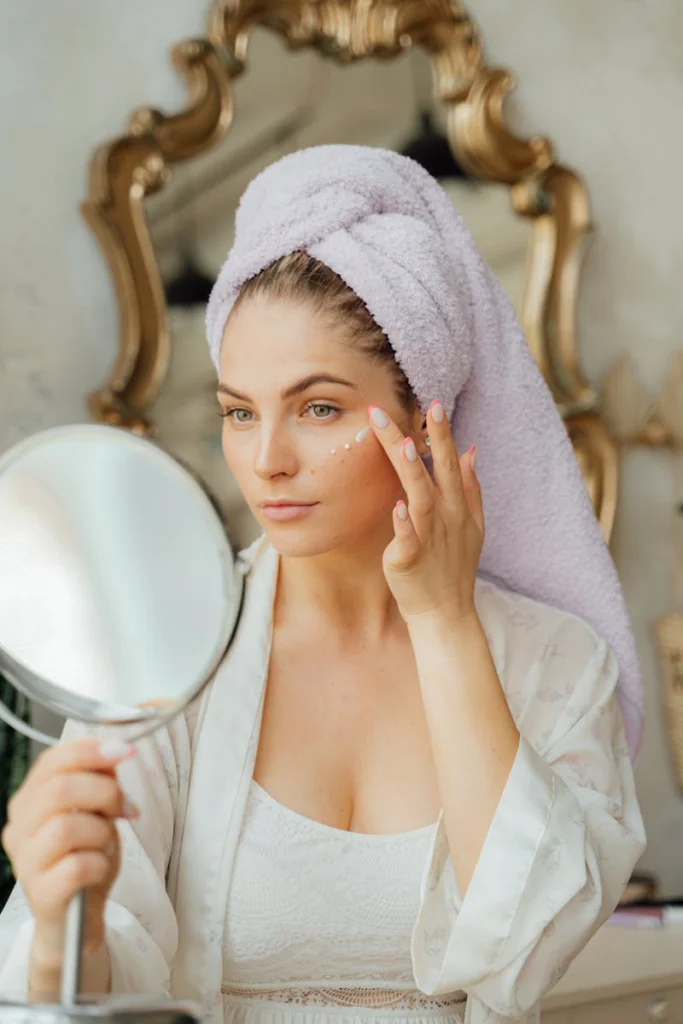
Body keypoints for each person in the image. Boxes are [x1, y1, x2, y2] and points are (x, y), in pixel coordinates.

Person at [0, 146, 645, 1024]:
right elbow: (95, 970)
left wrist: (445, 621)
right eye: (238, 412)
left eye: (317, 408)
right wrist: (56, 928)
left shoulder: (554, 665)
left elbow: (530, 948)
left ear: (424, 418)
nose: (265, 460)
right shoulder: (167, 661)